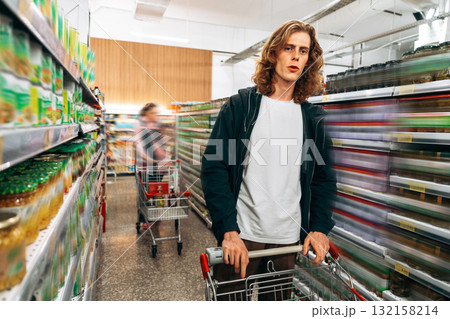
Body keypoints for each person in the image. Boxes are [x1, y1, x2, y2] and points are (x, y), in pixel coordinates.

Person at [201, 20, 336, 300]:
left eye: (303, 51)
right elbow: (214, 168)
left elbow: (324, 179)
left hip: (287, 240)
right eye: (289, 48)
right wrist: (227, 230)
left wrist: (320, 228)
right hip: (242, 236)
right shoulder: (242, 107)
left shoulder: (313, 119)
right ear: (274, 53)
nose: (296, 56)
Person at [134, 103, 171, 229]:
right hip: (145, 167)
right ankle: (144, 218)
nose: (156, 115)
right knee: (145, 194)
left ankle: (154, 215)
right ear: (147, 113)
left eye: (157, 113)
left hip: (158, 168)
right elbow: (139, 147)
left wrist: (166, 159)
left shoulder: (157, 126)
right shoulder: (140, 126)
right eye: (153, 113)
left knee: (156, 192)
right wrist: (149, 159)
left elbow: (160, 146)